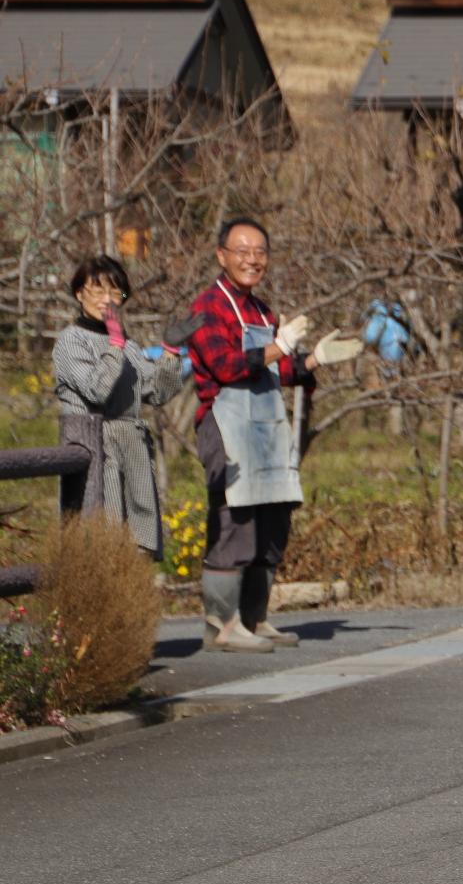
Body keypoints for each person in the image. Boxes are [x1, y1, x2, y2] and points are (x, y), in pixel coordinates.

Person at [185, 217, 319, 653]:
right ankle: (220, 625)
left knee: (273, 521)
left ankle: (254, 618)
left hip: (265, 427)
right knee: (234, 521)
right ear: (221, 255)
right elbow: (226, 365)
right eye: (241, 251)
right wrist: (279, 347)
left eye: (259, 251)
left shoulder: (262, 311)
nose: (252, 259)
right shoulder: (207, 307)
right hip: (226, 428)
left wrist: (313, 361)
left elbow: (278, 370)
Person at [51, 255, 186, 558]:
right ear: (79, 294)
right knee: (103, 540)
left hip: (131, 447)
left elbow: (158, 392)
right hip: (95, 446)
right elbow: (96, 390)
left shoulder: (130, 345)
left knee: (138, 547)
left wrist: (170, 353)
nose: (107, 300)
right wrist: (114, 345)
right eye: (98, 291)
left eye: (115, 293)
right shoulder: (71, 341)